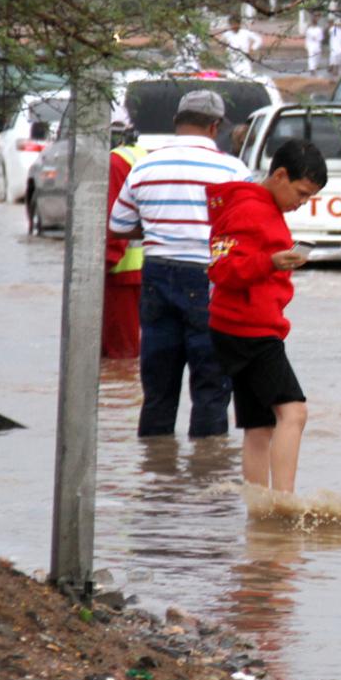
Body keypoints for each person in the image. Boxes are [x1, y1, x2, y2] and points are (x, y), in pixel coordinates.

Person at [109, 90, 251, 438]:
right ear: (215, 126)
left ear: (177, 122)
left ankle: (157, 479)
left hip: (156, 277)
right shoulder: (233, 170)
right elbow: (247, 230)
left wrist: (158, 227)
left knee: (157, 392)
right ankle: (204, 480)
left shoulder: (144, 165)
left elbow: (118, 226)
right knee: (211, 391)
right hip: (210, 282)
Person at [206, 139, 328, 493]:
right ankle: (284, 505)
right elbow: (221, 269)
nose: (301, 203)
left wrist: (275, 261)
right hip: (249, 330)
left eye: (308, 198)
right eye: (301, 193)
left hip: (242, 325)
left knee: (259, 427)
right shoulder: (247, 208)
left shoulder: (262, 207)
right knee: (294, 412)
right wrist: (271, 262)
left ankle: (259, 512)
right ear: (279, 175)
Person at [102, 126, 147, 359]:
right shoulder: (141, 155)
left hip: (119, 273)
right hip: (143, 268)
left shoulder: (113, 163)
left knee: (120, 356)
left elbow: (113, 219)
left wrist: (104, 264)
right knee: (131, 353)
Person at [218, 14, 263, 78]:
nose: (234, 26)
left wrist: (252, 49)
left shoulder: (245, 32)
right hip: (232, 60)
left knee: (246, 77)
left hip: (244, 59)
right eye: (232, 24)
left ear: (239, 24)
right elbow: (221, 43)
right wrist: (224, 48)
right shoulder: (226, 34)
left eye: (235, 24)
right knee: (231, 77)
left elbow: (258, 40)